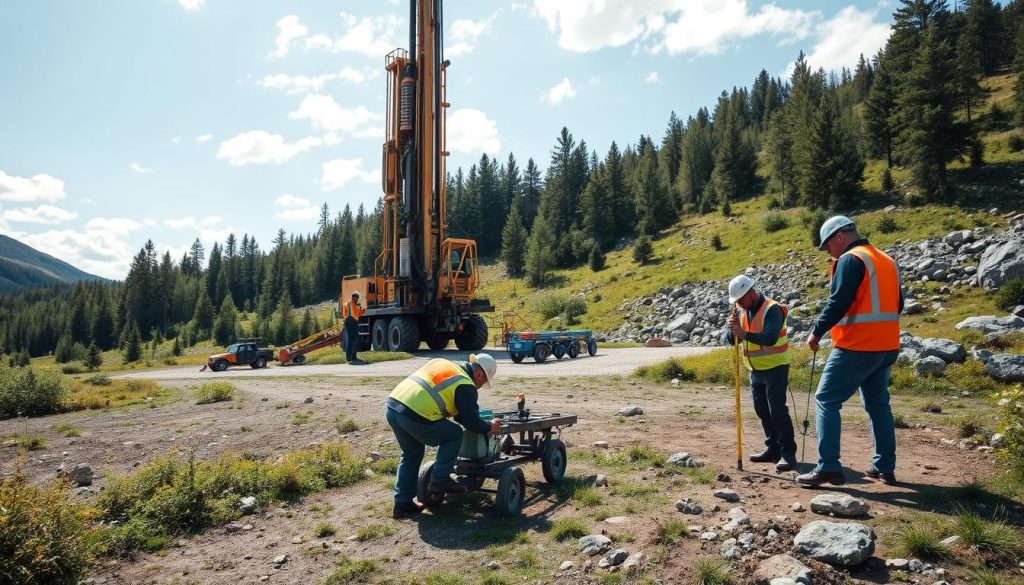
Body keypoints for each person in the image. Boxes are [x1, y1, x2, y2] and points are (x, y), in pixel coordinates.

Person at [798, 215, 903, 488]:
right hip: (887, 345)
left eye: (827, 246)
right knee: (878, 404)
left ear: (839, 237)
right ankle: (884, 468)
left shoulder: (850, 259)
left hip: (858, 345)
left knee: (826, 400)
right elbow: (898, 304)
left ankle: (829, 467)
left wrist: (816, 331)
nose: (828, 252)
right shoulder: (886, 260)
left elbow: (838, 301)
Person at [385, 353, 501, 519]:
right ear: (480, 374)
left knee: (411, 454)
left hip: (394, 407)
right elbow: (470, 421)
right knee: (454, 434)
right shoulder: (465, 384)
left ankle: (402, 503)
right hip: (415, 414)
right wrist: (490, 426)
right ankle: (440, 480)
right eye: (483, 383)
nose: (480, 387)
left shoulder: (444, 364)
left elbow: (459, 414)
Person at [725, 275, 798, 472]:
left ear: (751, 293)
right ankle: (772, 448)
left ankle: (788, 453)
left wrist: (744, 334)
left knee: (777, 411)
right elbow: (732, 341)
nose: (739, 304)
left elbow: (771, 338)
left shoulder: (772, 309)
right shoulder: (742, 311)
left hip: (775, 367)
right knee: (762, 411)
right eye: (737, 301)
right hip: (755, 369)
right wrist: (731, 329)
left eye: (741, 299)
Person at [342, 292, 362, 363]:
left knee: (355, 339)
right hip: (349, 321)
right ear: (353, 297)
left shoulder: (357, 305)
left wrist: (362, 309)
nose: (357, 300)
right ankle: (348, 358)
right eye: (356, 298)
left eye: (358, 298)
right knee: (351, 340)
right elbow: (345, 313)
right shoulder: (348, 304)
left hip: (355, 321)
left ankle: (354, 356)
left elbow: (359, 314)